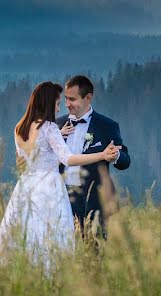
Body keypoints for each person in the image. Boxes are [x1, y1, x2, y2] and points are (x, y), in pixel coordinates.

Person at [0, 81, 119, 273]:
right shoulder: (49, 127)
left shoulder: (19, 127)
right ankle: (49, 275)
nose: (60, 107)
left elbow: (31, 156)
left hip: (27, 186)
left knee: (27, 231)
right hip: (49, 188)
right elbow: (68, 158)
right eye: (57, 103)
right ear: (48, 103)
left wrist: (57, 135)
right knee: (51, 234)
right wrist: (102, 155)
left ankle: (22, 273)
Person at [57, 75, 130, 239]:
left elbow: (125, 160)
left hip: (94, 201)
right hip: (61, 198)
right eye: (65, 99)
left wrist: (116, 155)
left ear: (88, 97)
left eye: (72, 99)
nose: (67, 104)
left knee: (95, 252)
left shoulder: (106, 126)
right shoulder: (57, 124)